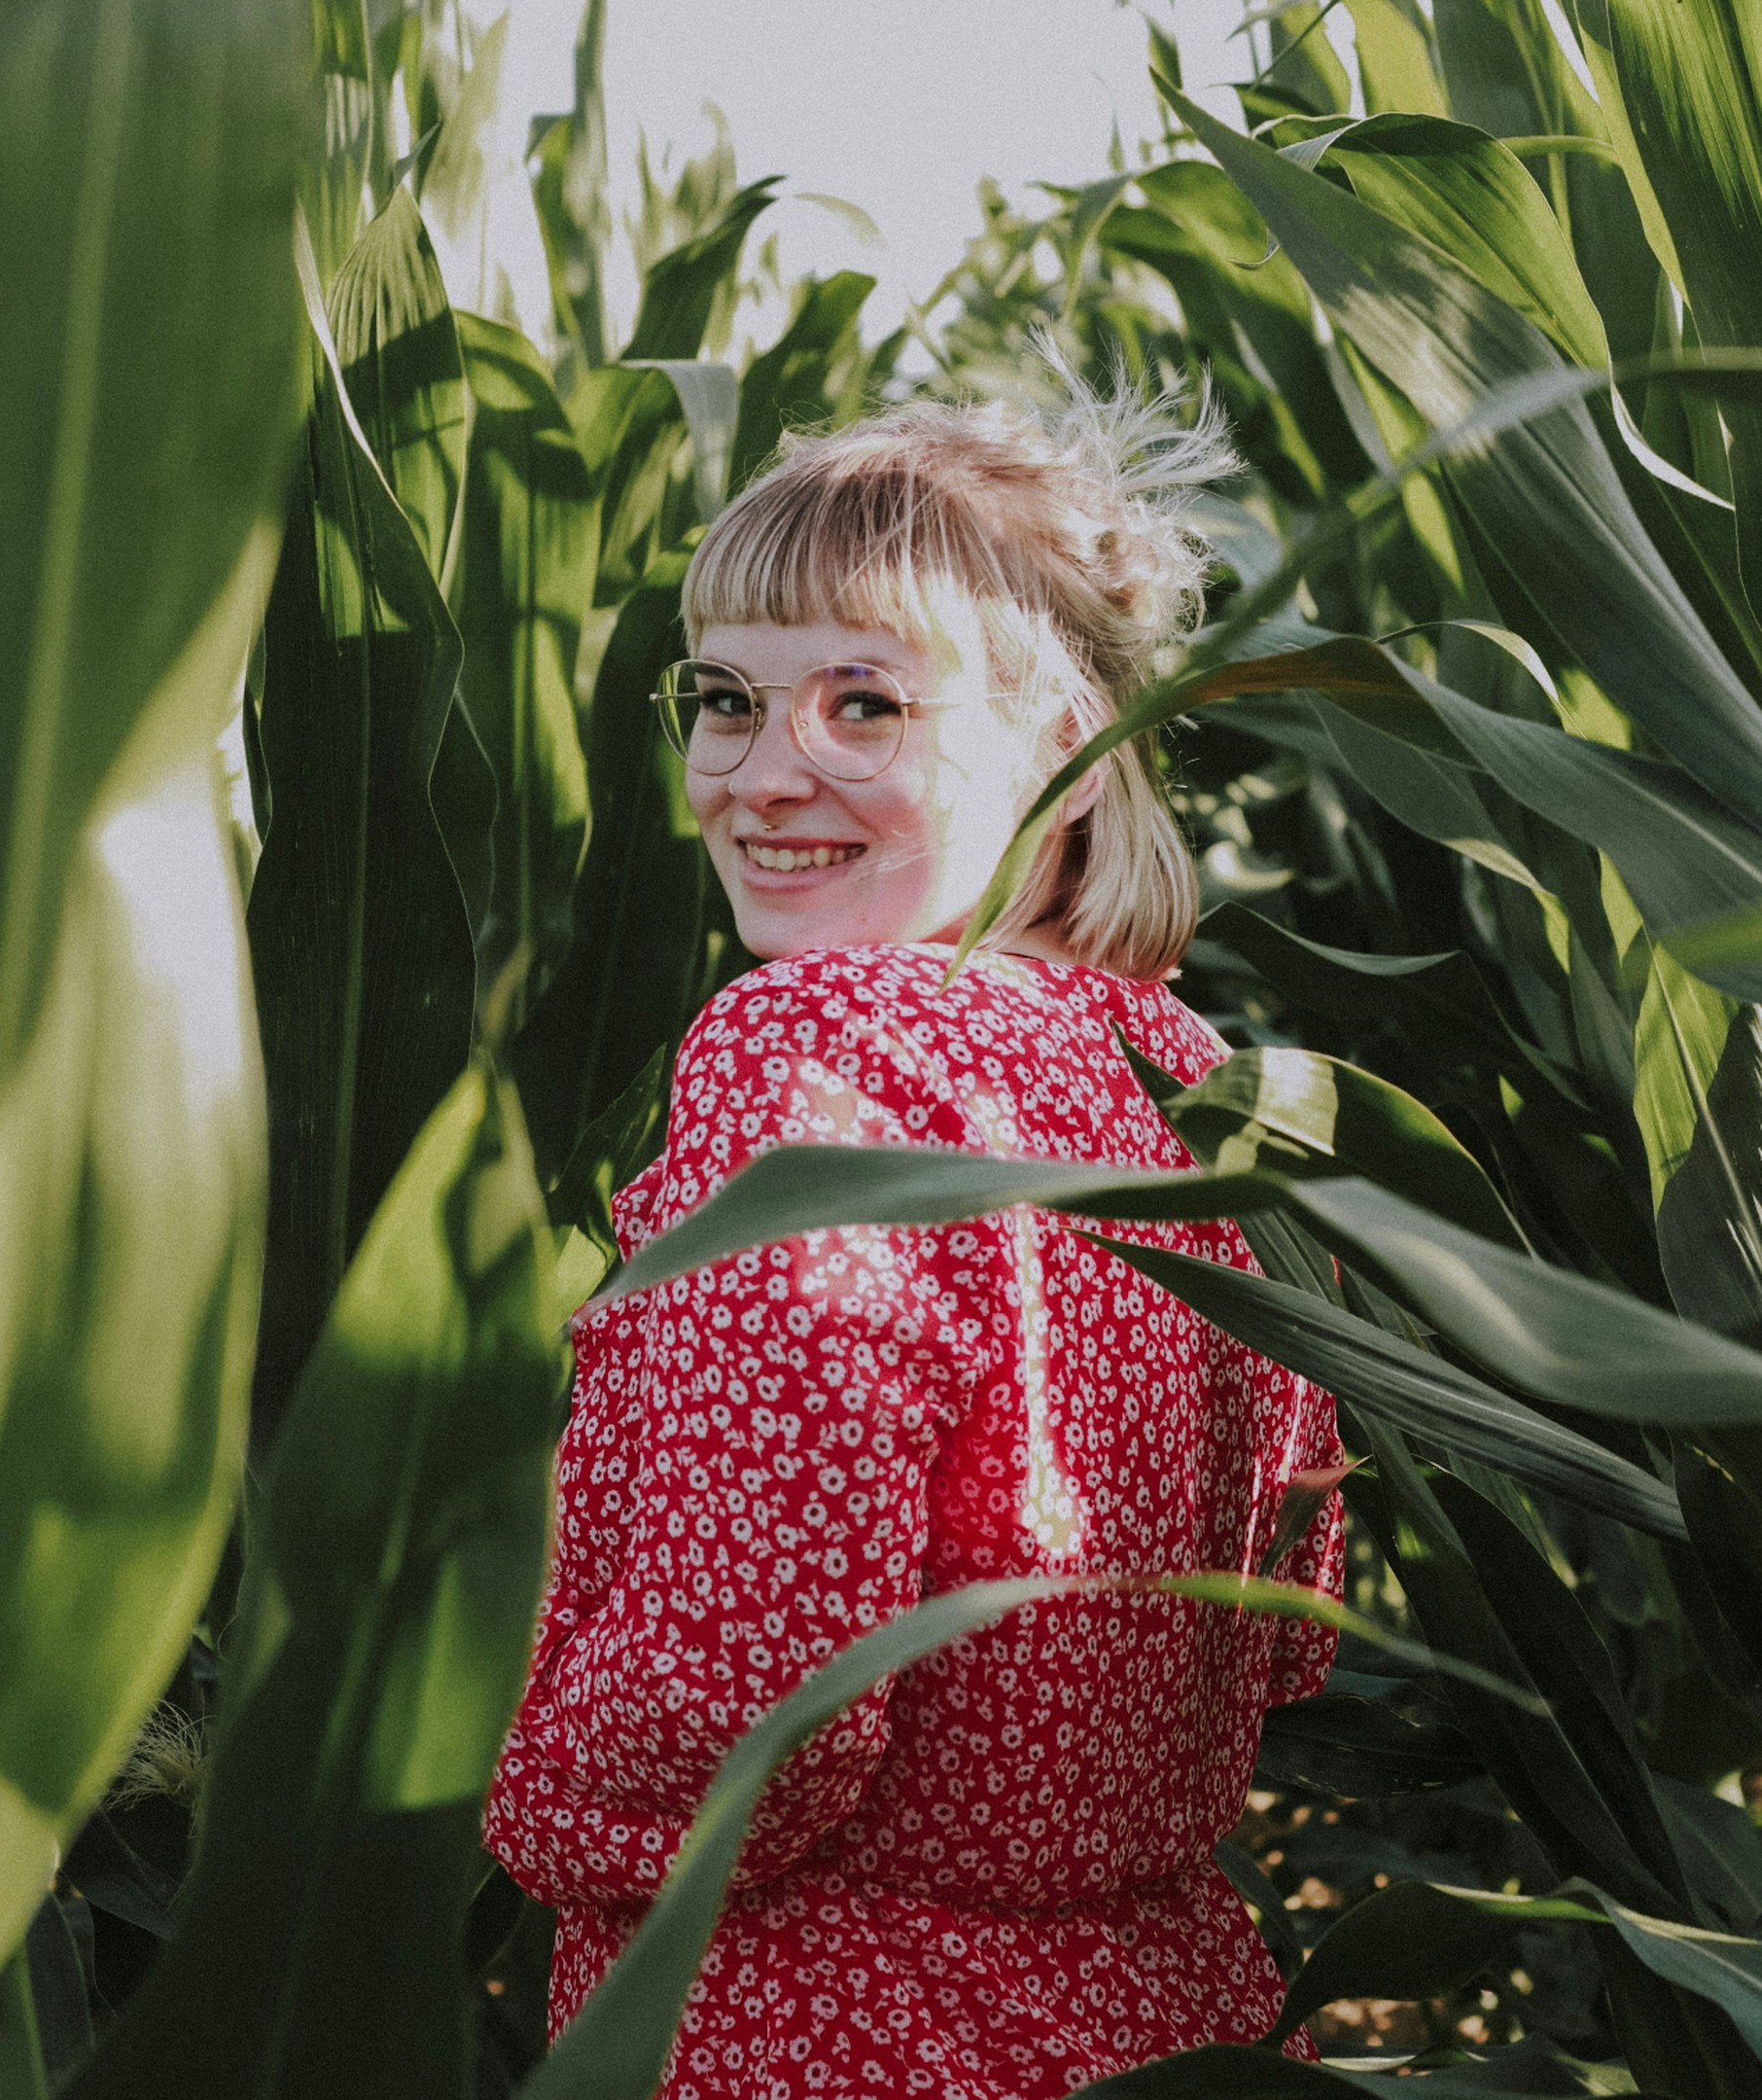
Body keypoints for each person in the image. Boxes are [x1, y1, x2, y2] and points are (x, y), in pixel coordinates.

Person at [484, 391, 1347, 2098]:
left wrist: (541, 1815)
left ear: (1063, 738)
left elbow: (753, 1665)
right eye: (723, 701)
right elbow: (1286, 1629)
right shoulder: (1188, 1083)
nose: (760, 771)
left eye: (863, 702)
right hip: (1165, 2013)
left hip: (821, 2016)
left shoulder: (819, 1050)